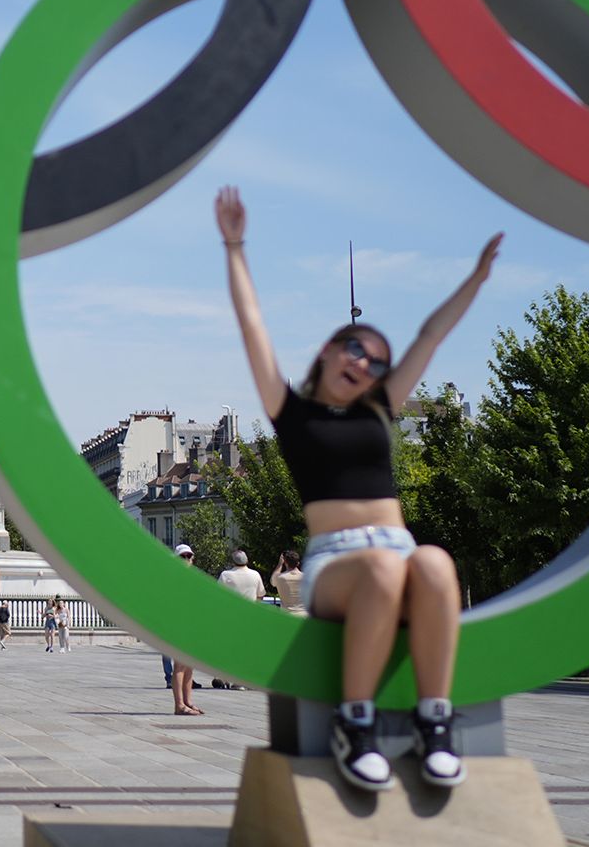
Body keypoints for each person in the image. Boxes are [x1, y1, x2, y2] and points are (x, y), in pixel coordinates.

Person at [218, 184, 499, 791]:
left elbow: (428, 335)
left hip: (395, 550)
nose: (364, 365)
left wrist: (475, 280)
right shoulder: (290, 411)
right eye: (355, 350)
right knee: (380, 568)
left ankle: (436, 721)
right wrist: (236, 246)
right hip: (342, 563)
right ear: (326, 351)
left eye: (376, 362)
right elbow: (252, 324)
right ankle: (356, 722)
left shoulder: (379, 412)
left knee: (434, 564)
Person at [171, 545, 204, 715]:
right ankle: (179, 705)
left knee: (190, 664)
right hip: (179, 623)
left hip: (192, 623)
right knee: (180, 664)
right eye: (182, 557)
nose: (186, 559)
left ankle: (188, 701)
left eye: (188, 556)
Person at [271, 550, 307, 617]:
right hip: (304, 615)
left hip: (287, 615)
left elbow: (272, 581)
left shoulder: (280, 578)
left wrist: (280, 564)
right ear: (298, 563)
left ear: (285, 562)